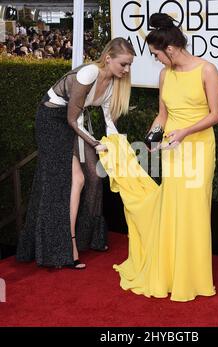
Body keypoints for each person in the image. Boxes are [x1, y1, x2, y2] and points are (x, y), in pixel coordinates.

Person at [99, 13, 218, 301]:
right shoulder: (165, 75)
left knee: (193, 211)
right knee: (172, 208)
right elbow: (164, 115)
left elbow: (215, 115)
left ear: (169, 49)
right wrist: (152, 139)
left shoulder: (207, 70)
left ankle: (192, 278)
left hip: (198, 149)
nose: (156, 60)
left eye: (156, 54)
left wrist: (184, 132)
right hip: (171, 149)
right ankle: (170, 273)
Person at [16, 37, 135, 269]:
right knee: (74, 180)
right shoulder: (89, 73)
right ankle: (65, 247)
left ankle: (88, 238)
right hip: (52, 121)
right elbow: (70, 118)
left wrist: (119, 146)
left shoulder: (112, 82)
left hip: (75, 121)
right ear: (108, 58)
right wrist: (96, 143)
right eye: (123, 64)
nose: (127, 70)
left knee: (94, 176)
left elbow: (110, 122)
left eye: (130, 65)